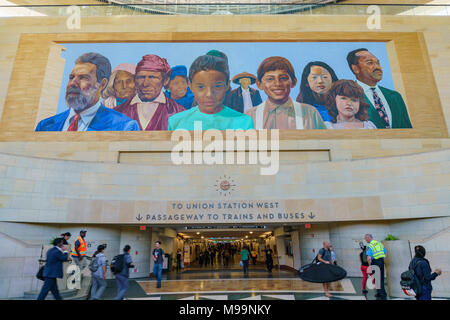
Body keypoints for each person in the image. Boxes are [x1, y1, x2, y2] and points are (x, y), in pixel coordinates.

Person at [35, 52, 140, 131]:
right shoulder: (45, 126)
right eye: (71, 77)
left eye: (83, 78)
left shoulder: (124, 126)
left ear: (102, 84)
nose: (73, 83)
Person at [168, 53, 254, 131]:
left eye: (217, 86)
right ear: (190, 86)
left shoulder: (244, 123)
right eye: (201, 87)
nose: (209, 94)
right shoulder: (176, 122)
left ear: (227, 85)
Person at [245, 56, 327, 130]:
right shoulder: (250, 117)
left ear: (294, 82)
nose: (277, 84)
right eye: (270, 79)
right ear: (259, 84)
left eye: (283, 78)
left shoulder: (310, 113)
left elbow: (324, 144)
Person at [115, 54, 185, 130]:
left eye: (152, 77)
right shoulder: (117, 113)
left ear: (165, 80)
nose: (145, 84)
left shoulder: (180, 113)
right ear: (135, 80)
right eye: (141, 77)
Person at [347, 48, 412, 129]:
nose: (377, 67)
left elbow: (407, 129)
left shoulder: (395, 96)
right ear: (355, 68)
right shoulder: (347, 96)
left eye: (378, 63)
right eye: (370, 63)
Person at [365, 233, 387, 299]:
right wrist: (382, 259)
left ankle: (382, 294)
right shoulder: (379, 243)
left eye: (366, 238)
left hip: (375, 262)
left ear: (369, 238)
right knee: (381, 278)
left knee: (377, 279)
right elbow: (385, 252)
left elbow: (369, 258)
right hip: (381, 261)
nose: (365, 239)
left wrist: (370, 266)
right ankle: (380, 293)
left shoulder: (370, 245)